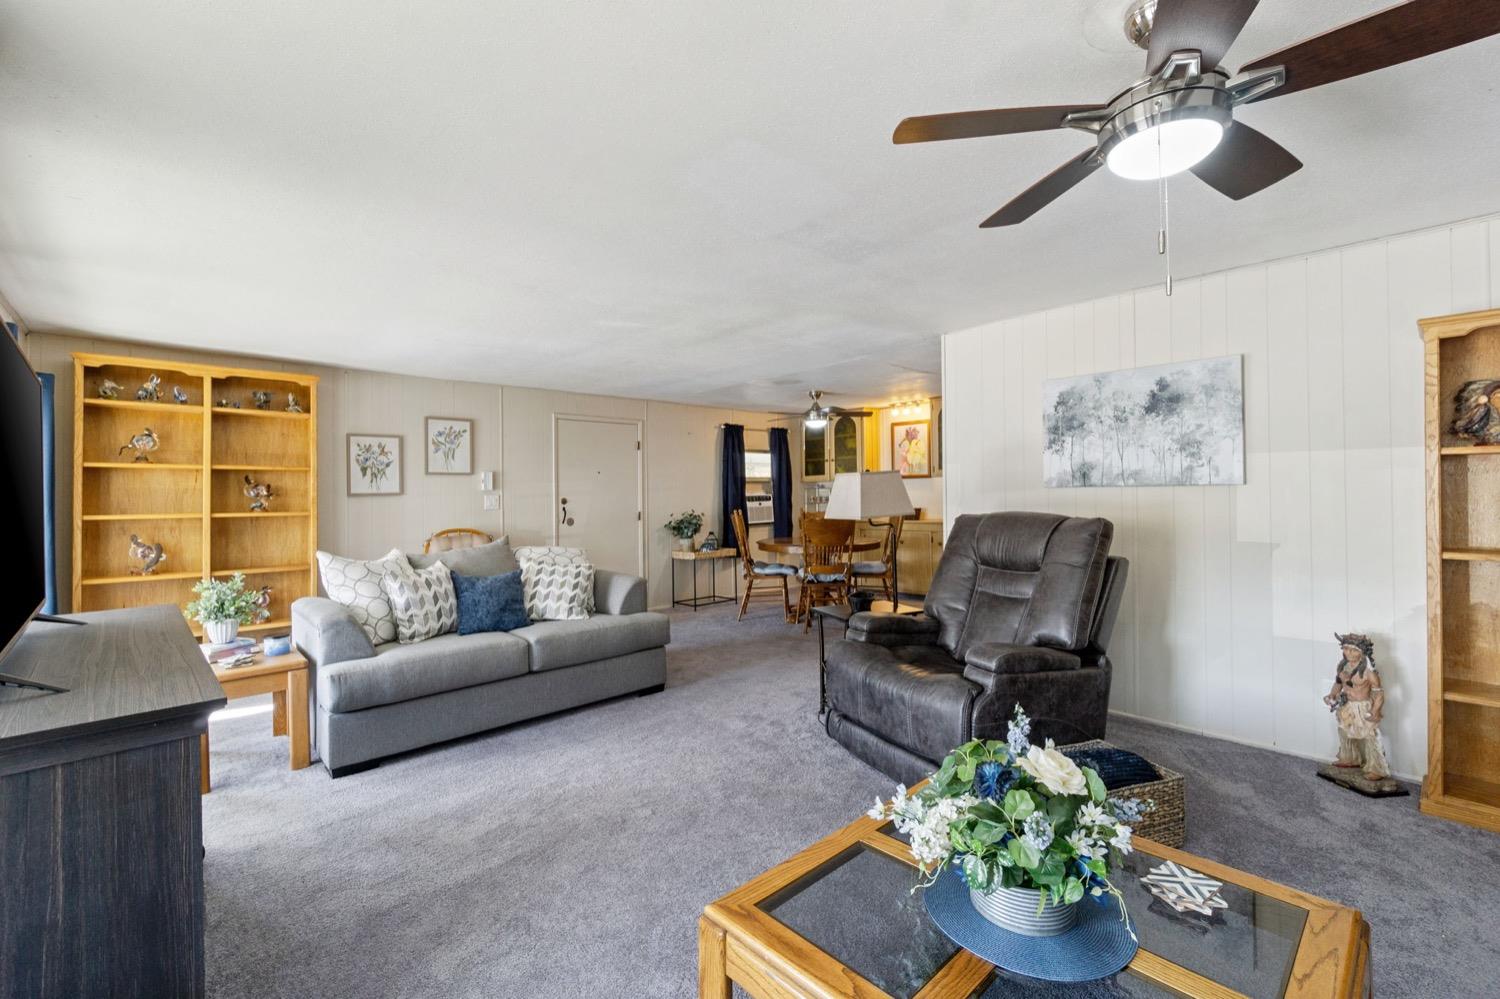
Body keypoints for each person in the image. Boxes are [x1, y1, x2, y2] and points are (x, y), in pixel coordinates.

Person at [1323, 633, 1390, 782]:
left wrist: (1375, 711)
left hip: (1363, 708)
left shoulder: (1368, 672)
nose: (1348, 653)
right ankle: (1349, 758)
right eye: (1346, 649)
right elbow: (1338, 684)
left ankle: (1376, 768)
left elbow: (1379, 693)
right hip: (1347, 705)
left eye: (1353, 650)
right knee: (1344, 731)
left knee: (1370, 736)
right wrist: (1332, 695)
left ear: (1362, 652)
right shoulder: (1342, 667)